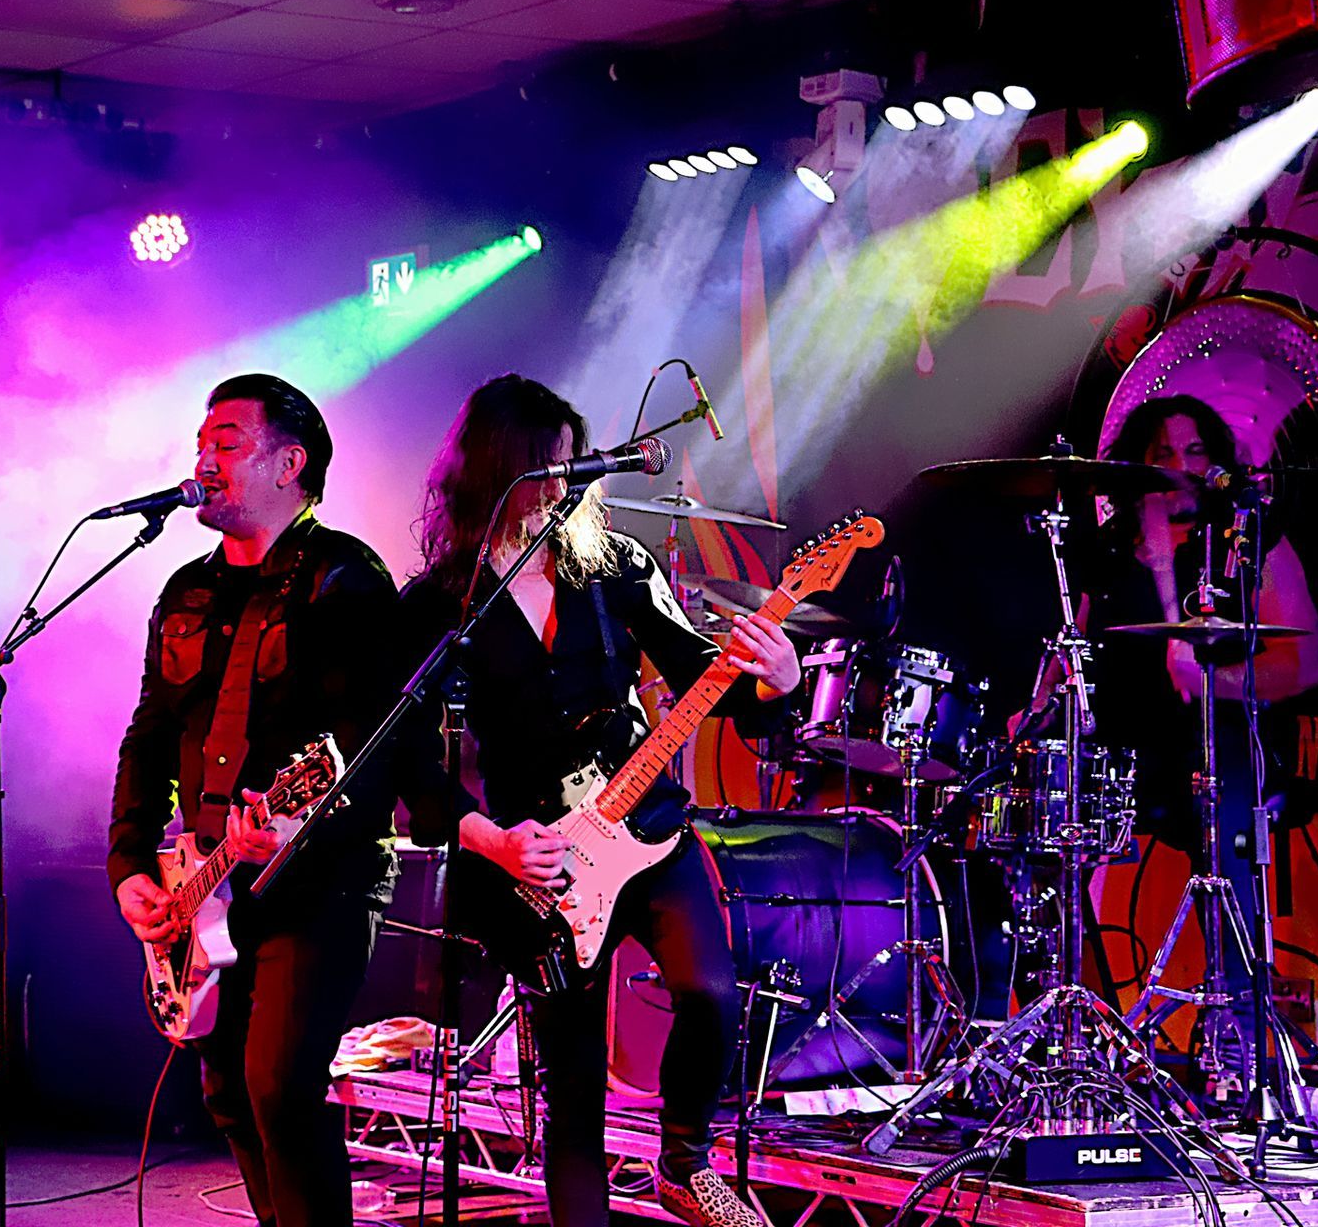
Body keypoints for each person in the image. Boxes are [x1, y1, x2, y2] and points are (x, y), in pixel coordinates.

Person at [397, 375, 800, 1227]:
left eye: (571, 461)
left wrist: (775, 683)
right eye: (547, 463)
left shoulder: (616, 567)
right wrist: (493, 841)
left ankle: (683, 1164)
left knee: (711, 995)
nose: (567, 480)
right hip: (534, 861)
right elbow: (407, 764)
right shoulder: (439, 605)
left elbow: (703, 674)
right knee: (572, 1085)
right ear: (497, 469)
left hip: (648, 830)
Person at [107, 374, 400, 1227]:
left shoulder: (345, 579)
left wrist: (304, 830)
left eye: (227, 443)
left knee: (281, 1086)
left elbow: (381, 744)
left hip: (321, 880)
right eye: (201, 443)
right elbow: (149, 733)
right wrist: (130, 864)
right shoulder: (185, 591)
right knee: (229, 1091)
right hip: (207, 876)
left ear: (289, 463)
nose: (204, 459)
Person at [1084, 397, 1318, 1076]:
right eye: (1162, 453)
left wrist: (1214, 681)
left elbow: (1305, 663)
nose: (1180, 466)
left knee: (1228, 822)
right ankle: (1086, 1036)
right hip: (1122, 751)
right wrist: (1040, 709)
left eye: (1194, 451)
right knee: (1040, 828)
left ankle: (1241, 1046)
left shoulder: (1251, 540)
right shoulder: (1107, 551)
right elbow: (1070, 649)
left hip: (1219, 751)